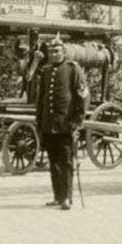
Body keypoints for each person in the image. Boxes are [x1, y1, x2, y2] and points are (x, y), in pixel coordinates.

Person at [32, 35, 88, 211]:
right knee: (53, 161)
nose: (54, 54)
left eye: (57, 51)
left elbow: (82, 97)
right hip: (49, 126)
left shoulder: (72, 69)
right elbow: (41, 100)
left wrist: (77, 122)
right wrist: (39, 122)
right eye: (51, 52)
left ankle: (67, 198)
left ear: (63, 52)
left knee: (66, 163)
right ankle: (57, 196)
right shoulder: (46, 71)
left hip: (66, 125)